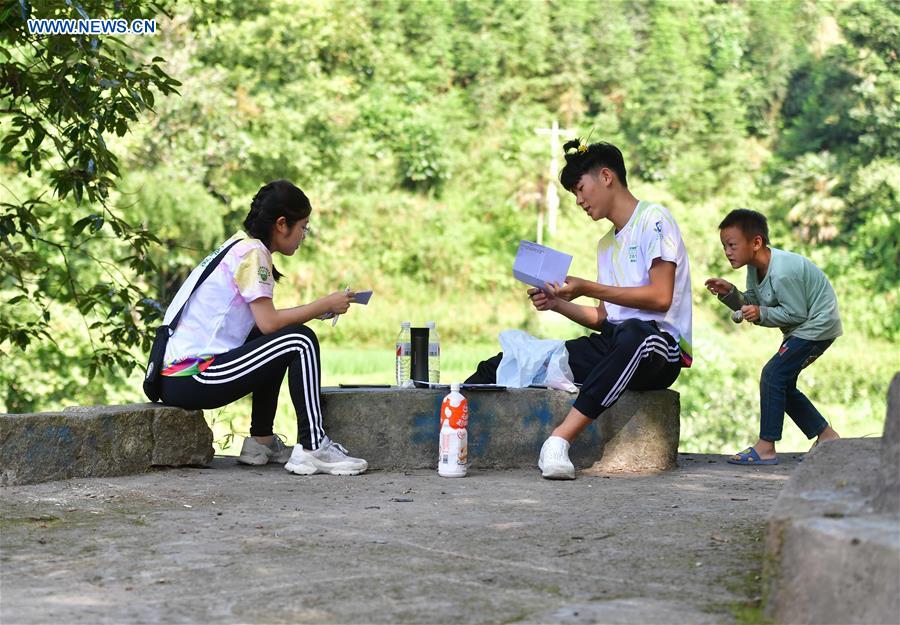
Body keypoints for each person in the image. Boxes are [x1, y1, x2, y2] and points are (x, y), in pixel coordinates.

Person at [467, 140, 693, 480]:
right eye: (574, 193)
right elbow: (604, 318)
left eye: (580, 189)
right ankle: (448, 431)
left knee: (634, 334)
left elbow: (660, 298)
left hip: (660, 348)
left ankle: (559, 440)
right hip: (617, 342)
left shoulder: (654, 220)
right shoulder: (606, 244)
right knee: (508, 363)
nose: (579, 200)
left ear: (606, 177)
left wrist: (586, 286)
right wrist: (559, 304)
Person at [158, 179, 368, 476]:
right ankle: (313, 447)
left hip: (178, 376)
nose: (303, 236)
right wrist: (323, 305)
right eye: (303, 227)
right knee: (300, 341)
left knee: (278, 338)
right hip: (194, 374)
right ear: (282, 224)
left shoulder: (240, 246)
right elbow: (270, 322)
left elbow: (265, 327)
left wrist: (317, 310)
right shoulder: (253, 254)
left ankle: (261, 442)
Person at [705, 208, 842, 465]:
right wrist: (730, 294)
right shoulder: (755, 268)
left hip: (816, 326)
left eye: (732, 245)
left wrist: (760, 312)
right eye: (724, 246)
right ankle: (827, 436)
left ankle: (766, 446)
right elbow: (751, 305)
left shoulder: (783, 271)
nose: (727, 251)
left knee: (773, 375)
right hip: (803, 328)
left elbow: (796, 313)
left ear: (756, 242)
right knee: (782, 382)